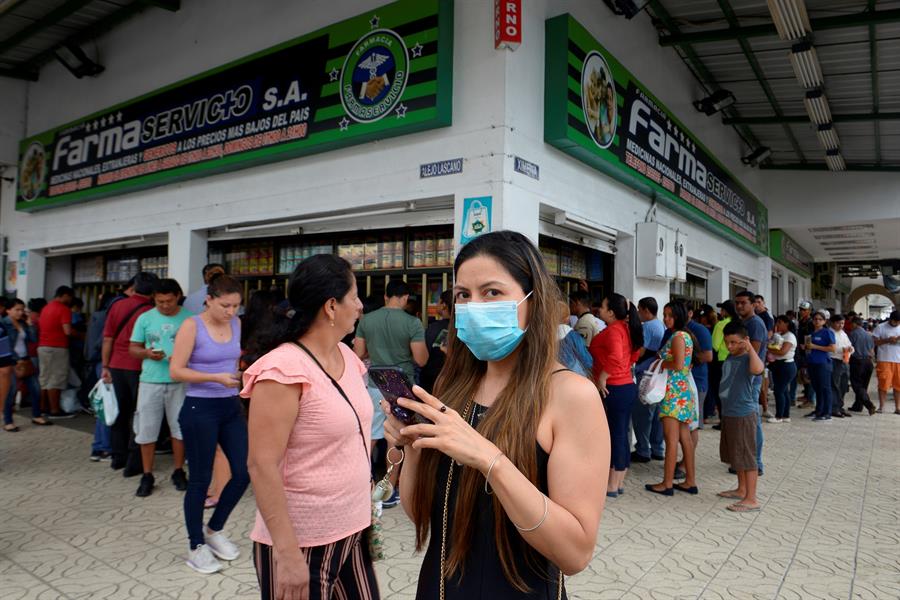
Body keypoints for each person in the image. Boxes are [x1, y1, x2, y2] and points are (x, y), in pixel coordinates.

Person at [383, 230, 608, 599]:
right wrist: (410, 446)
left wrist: (491, 461)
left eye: (491, 292)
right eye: (463, 295)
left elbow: (575, 553)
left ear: (533, 301)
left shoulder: (571, 395)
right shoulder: (452, 387)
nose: (474, 306)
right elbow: (423, 514)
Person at [243, 255, 380, 600]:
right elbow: (261, 464)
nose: (360, 307)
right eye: (354, 297)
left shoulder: (347, 356)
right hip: (303, 540)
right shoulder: (283, 370)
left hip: (353, 526)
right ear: (332, 306)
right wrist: (287, 554)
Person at [170, 273, 249, 574]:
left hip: (230, 406)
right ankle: (196, 546)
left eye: (236, 306)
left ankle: (213, 530)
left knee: (243, 472)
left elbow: (231, 361)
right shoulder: (192, 325)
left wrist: (240, 375)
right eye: (225, 305)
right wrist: (214, 377)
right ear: (209, 300)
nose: (231, 312)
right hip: (199, 407)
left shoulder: (236, 323)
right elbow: (176, 370)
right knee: (200, 480)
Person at [354, 279, 428, 509]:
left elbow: (359, 353)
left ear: (386, 296)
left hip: (375, 383)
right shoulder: (412, 322)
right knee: (394, 438)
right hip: (401, 387)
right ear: (405, 298)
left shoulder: (367, 320)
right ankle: (387, 492)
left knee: (369, 436)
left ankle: (358, 485)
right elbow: (421, 359)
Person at [128, 279, 192, 497]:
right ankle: (147, 474)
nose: (164, 306)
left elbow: (199, 349)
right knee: (147, 429)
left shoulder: (190, 319)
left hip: (180, 381)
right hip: (150, 381)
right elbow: (133, 348)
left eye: (169, 301)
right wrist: (146, 353)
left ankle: (178, 470)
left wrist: (183, 358)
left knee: (180, 428)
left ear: (178, 297)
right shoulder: (145, 318)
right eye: (160, 302)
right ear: (153, 299)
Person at [102, 272, 158, 474]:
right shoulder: (152, 311)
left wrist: (105, 366)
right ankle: (134, 463)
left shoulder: (117, 305)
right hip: (140, 368)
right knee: (139, 414)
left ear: (134, 286)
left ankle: (118, 457)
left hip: (116, 366)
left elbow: (108, 338)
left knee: (119, 412)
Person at [590, 293, 641, 498]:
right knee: (621, 434)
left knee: (616, 435)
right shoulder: (625, 328)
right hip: (625, 386)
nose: (599, 310)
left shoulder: (614, 330)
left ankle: (612, 484)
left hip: (614, 389)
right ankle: (618, 482)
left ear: (611, 312)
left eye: (602, 307)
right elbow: (634, 354)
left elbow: (616, 356)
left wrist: (603, 377)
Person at [645, 301, 698, 496]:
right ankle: (690, 481)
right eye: (665, 315)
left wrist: (660, 363)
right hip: (682, 391)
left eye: (670, 315)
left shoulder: (677, 337)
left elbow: (677, 364)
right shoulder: (686, 336)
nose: (666, 319)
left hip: (673, 393)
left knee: (671, 439)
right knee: (684, 438)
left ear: (679, 316)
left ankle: (667, 483)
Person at [716, 321, 765, 512]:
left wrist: (750, 348)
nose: (729, 346)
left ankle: (751, 499)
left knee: (747, 456)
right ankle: (741, 489)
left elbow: (758, 369)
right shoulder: (731, 356)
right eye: (727, 342)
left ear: (745, 340)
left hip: (743, 414)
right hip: (729, 412)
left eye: (734, 342)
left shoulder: (748, 358)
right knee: (736, 455)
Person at [734, 291, 767, 475]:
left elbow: (751, 352)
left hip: (751, 379)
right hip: (742, 378)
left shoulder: (755, 324)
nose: (739, 306)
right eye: (737, 303)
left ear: (753, 304)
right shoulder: (743, 323)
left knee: (752, 420)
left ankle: (756, 463)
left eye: (743, 303)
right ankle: (745, 460)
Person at [631, 297, 666, 463]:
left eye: (639, 309)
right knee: (656, 414)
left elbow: (641, 352)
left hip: (645, 373)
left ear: (646, 310)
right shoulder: (661, 325)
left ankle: (643, 450)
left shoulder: (647, 327)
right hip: (658, 374)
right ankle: (657, 448)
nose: (638, 313)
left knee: (642, 414)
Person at [3, 299, 46, 430]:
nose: (20, 312)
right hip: (11, 361)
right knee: (11, 391)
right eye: (17, 309)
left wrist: (30, 324)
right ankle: (8, 421)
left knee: (36, 389)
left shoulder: (23, 323)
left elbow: (33, 339)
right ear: (8, 310)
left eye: (22, 309)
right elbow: (4, 345)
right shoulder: (3, 324)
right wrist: (16, 359)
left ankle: (36, 415)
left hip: (26, 360)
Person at [37, 286, 76, 419]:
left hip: (43, 346)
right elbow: (67, 331)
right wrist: (82, 335)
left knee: (44, 378)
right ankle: (55, 410)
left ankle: (42, 408)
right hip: (57, 347)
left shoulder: (46, 308)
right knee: (56, 378)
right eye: (70, 297)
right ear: (65, 295)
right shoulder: (64, 309)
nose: (70, 300)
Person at [86, 293, 116, 460]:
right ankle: (105, 447)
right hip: (108, 365)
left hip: (98, 363)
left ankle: (98, 446)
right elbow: (105, 341)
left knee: (103, 407)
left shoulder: (96, 316)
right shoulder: (108, 317)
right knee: (109, 406)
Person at [805, 310, 836, 422]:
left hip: (823, 363)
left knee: (825, 388)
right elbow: (809, 348)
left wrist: (815, 346)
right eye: (815, 319)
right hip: (812, 362)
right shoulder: (811, 333)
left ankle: (827, 412)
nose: (817, 321)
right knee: (817, 388)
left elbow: (832, 348)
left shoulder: (827, 332)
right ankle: (819, 410)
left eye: (820, 319)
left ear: (824, 321)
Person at [420, 290, 453, 393]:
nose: (437, 305)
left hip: (432, 380)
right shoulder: (462, 328)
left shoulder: (434, 328)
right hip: (455, 379)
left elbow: (423, 355)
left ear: (444, 305)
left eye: (438, 302)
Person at [709, 301, 736, 425]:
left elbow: (714, 345)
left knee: (720, 392)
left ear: (726, 311)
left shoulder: (721, 325)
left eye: (722, 309)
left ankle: (723, 421)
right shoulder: (738, 323)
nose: (720, 311)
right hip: (736, 360)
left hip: (721, 362)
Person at [767, 316, 797, 423]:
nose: (777, 325)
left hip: (786, 365)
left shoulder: (790, 336)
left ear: (787, 323)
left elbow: (782, 352)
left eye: (780, 322)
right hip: (778, 365)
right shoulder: (779, 335)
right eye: (777, 322)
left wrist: (768, 348)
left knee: (778, 391)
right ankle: (785, 415)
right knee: (784, 391)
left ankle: (779, 416)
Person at [846, 317, 876, 415]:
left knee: (857, 384)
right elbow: (872, 351)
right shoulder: (869, 334)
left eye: (851, 324)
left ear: (854, 324)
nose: (850, 326)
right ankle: (858, 405)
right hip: (868, 362)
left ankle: (869, 404)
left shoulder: (853, 334)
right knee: (863, 385)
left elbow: (849, 348)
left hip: (857, 361)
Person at [873, 310, 900, 414]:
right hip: (884, 359)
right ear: (890, 319)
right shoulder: (880, 327)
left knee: (898, 385)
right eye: (895, 321)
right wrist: (888, 340)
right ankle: (881, 407)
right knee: (883, 383)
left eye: (899, 322)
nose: (897, 324)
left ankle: (897, 408)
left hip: (898, 360)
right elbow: (875, 342)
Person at [556, 300, 592, 378]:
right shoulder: (573, 335)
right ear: (567, 318)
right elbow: (586, 360)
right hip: (574, 374)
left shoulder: (545, 336)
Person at [828, 314, 853, 418]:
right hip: (834, 360)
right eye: (838, 323)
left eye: (842, 323)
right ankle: (834, 408)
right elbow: (830, 348)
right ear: (832, 323)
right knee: (835, 384)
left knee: (843, 385)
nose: (841, 325)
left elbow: (849, 345)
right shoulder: (829, 333)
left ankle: (840, 407)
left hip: (845, 360)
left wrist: (851, 349)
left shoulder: (843, 333)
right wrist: (842, 349)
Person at [796, 301, 816, 407]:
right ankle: (807, 395)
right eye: (800, 309)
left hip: (808, 351)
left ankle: (810, 399)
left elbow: (810, 335)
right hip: (801, 351)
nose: (801, 311)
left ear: (809, 311)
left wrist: (807, 346)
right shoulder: (802, 321)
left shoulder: (810, 322)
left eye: (804, 310)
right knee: (803, 374)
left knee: (808, 375)